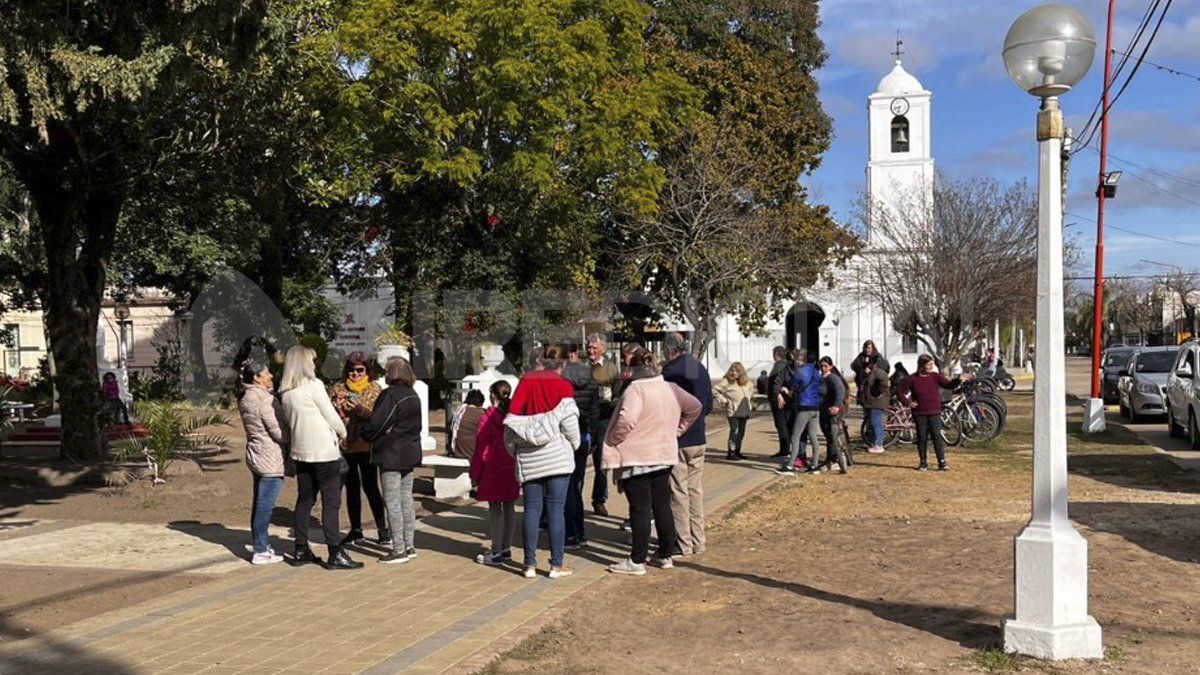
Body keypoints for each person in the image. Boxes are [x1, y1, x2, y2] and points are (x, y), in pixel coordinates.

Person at [602, 346, 701, 575]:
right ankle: (665, 553)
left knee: (640, 509)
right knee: (661, 505)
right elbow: (695, 407)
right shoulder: (669, 387)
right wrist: (677, 430)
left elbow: (626, 419)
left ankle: (637, 560)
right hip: (662, 454)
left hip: (637, 456)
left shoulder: (636, 389)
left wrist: (616, 438)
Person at [280, 346, 361, 570]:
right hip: (324, 451)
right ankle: (334, 551)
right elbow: (331, 415)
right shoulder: (313, 385)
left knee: (304, 500)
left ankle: (301, 547)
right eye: (312, 361)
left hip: (301, 451)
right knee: (331, 502)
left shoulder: (286, 391)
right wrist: (343, 433)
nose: (315, 365)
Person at [504, 344, 580, 579]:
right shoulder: (564, 386)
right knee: (556, 510)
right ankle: (556, 565)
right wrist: (574, 445)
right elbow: (569, 424)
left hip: (529, 456)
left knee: (531, 511)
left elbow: (512, 419)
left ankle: (529, 564)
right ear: (563, 363)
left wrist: (513, 451)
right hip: (557, 455)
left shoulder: (526, 380)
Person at [361, 356, 424, 563]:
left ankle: (398, 549)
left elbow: (377, 423)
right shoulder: (413, 394)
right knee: (406, 498)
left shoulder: (390, 395)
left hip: (391, 453)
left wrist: (365, 432)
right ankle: (409, 544)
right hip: (410, 451)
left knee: (392, 500)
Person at [660, 333, 713, 557]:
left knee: (678, 492)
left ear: (671, 349)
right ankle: (698, 540)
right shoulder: (698, 367)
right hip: (699, 437)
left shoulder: (672, 372)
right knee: (695, 490)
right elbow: (707, 404)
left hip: (680, 438)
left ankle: (683, 543)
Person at [328, 352, 388, 549]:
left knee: (371, 487)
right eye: (352, 370)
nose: (355, 374)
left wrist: (359, 409)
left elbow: (378, 418)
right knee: (351, 488)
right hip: (346, 445)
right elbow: (329, 413)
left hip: (368, 444)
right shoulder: (338, 388)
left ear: (367, 371)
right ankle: (355, 530)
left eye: (360, 370)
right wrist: (337, 406)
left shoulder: (375, 389)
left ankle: (382, 529)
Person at [236, 357, 289, 565]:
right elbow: (279, 432)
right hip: (270, 457)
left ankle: (261, 544)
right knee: (265, 505)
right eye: (267, 373)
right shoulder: (265, 400)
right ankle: (260, 549)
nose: (271, 376)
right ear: (257, 377)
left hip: (256, 453)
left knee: (259, 502)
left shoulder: (245, 396)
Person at [470, 381, 519, 565]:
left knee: (494, 509)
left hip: (493, 467)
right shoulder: (514, 415)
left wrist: (475, 473)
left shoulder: (488, 417)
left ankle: (496, 550)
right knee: (509, 507)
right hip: (511, 465)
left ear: (492, 395)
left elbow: (481, 448)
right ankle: (506, 549)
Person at [896, 354, 972, 471]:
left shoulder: (935, 376)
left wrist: (958, 379)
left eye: (932, 364)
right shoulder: (912, 378)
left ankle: (942, 462)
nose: (931, 366)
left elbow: (948, 385)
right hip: (919, 413)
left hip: (934, 411)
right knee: (922, 437)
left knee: (937, 436)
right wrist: (908, 403)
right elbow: (900, 392)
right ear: (922, 365)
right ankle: (923, 462)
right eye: (928, 365)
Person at [562, 344, 600, 549]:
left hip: (566, 437)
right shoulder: (590, 378)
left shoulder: (561, 379)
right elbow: (595, 411)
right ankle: (580, 531)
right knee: (576, 484)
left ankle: (571, 532)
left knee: (567, 486)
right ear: (576, 354)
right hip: (584, 435)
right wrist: (593, 438)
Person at [587, 335, 620, 517]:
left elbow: (617, 396)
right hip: (584, 420)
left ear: (603, 349)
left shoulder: (610, 368)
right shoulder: (582, 368)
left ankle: (599, 499)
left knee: (601, 462)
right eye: (589, 347)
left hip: (602, 419)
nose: (591, 351)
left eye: (594, 348)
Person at [776, 349, 820, 475]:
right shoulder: (817, 372)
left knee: (795, 437)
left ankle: (790, 466)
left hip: (804, 408)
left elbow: (790, 385)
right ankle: (815, 465)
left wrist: (784, 390)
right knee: (813, 436)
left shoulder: (800, 372)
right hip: (815, 408)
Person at [713, 362, 753, 460]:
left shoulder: (747, 383)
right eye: (732, 370)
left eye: (737, 371)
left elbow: (750, 391)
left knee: (741, 432)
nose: (734, 373)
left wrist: (749, 403)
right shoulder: (726, 382)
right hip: (733, 411)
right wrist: (724, 401)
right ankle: (731, 452)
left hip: (744, 411)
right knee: (735, 431)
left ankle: (738, 451)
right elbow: (714, 390)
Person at [817, 356, 847, 473]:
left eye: (825, 366)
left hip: (833, 410)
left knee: (831, 435)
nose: (823, 368)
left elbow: (840, 391)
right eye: (822, 366)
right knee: (827, 434)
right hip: (823, 410)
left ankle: (833, 460)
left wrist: (836, 406)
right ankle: (830, 458)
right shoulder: (820, 378)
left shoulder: (833, 378)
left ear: (831, 366)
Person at [768, 346, 793, 458]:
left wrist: (777, 394)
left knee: (781, 424)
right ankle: (786, 449)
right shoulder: (786, 364)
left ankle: (784, 449)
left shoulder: (779, 365)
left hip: (779, 400)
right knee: (785, 424)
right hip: (786, 398)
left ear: (776, 354)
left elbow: (775, 382)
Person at [850, 340, 889, 409]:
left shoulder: (877, 356)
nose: (867, 350)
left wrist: (871, 369)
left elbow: (884, 367)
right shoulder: (861, 356)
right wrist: (863, 367)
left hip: (873, 388)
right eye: (866, 348)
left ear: (873, 348)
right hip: (863, 386)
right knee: (865, 409)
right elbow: (854, 365)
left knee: (872, 410)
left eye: (869, 348)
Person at [863, 357, 891, 453]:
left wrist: (868, 374)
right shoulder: (881, 373)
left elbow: (871, 384)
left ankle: (879, 445)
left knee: (876, 423)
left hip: (877, 401)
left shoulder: (877, 373)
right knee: (877, 422)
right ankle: (877, 443)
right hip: (878, 401)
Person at [450, 389, 486, 460]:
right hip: (473, 453)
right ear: (481, 402)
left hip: (457, 452)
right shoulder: (483, 414)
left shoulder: (458, 412)